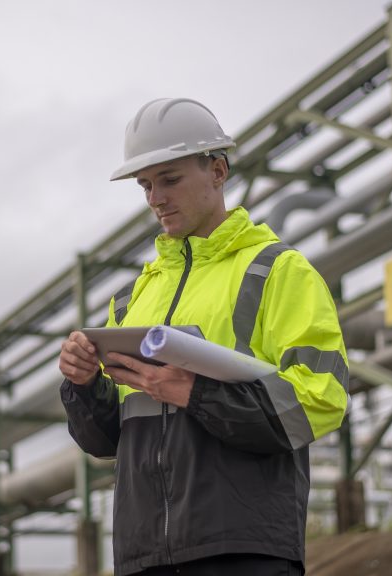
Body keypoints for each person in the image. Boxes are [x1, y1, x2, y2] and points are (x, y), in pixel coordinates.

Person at [58, 98, 349, 576]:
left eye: (169, 179)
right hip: (143, 554)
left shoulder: (278, 271)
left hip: (243, 550)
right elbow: (106, 440)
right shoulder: (132, 301)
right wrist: (84, 383)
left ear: (217, 170)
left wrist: (194, 392)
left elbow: (321, 400)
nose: (155, 198)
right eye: (146, 185)